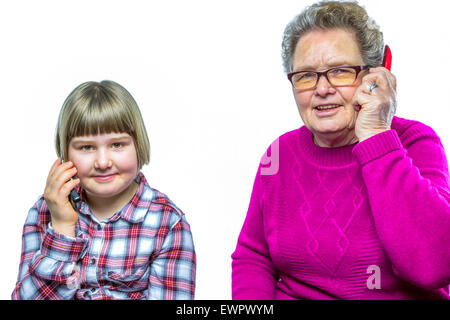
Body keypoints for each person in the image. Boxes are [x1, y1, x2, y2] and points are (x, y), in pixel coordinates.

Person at [231, 0, 450, 299]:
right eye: (306, 75)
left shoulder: (414, 142)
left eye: (341, 71)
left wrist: (375, 136)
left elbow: (433, 266)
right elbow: (253, 256)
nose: (322, 89)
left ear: (376, 75)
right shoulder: (279, 154)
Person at [12, 80, 196, 300]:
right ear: (64, 154)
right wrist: (61, 228)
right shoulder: (43, 211)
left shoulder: (168, 224)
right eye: (86, 147)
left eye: (117, 145)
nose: (102, 162)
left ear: (138, 145)